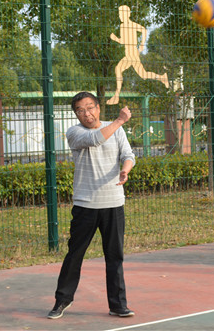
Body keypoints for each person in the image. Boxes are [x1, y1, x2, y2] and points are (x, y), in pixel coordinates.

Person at [47, 92, 136, 319]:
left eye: (90, 107)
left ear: (98, 107)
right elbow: (96, 139)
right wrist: (120, 120)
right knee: (75, 255)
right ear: (76, 114)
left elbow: (128, 154)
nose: (86, 113)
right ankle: (62, 300)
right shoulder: (75, 132)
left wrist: (125, 169)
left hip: (113, 203)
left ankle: (118, 305)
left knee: (114, 257)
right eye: (80, 110)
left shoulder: (117, 129)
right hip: (85, 204)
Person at [107, 5, 168, 105]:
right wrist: (116, 39)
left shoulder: (132, 25)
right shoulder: (122, 26)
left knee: (118, 69)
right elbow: (123, 41)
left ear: (127, 14)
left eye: (122, 14)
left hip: (132, 53)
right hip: (129, 53)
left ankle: (116, 96)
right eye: (119, 14)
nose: (120, 16)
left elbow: (144, 30)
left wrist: (142, 44)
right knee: (143, 74)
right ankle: (162, 78)